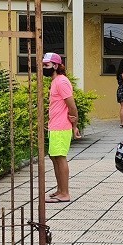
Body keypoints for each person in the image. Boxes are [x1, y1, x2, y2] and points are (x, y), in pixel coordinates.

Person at [43, 52, 81, 203]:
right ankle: (60, 190)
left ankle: (64, 193)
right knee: (54, 157)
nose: (44, 67)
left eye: (47, 65)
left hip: (61, 127)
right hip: (55, 125)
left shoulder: (61, 82)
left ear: (56, 65)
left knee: (60, 158)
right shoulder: (55, 81)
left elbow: (72, 106)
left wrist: (74, 125)